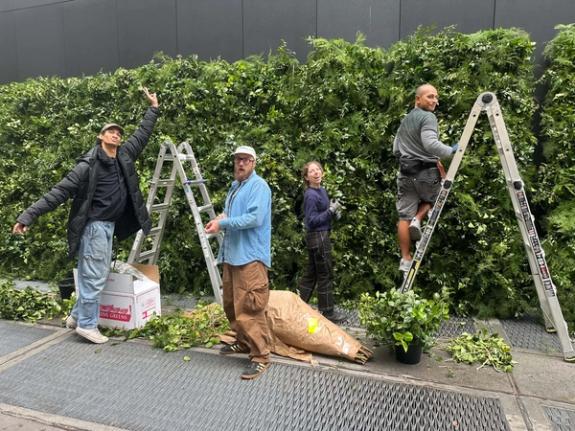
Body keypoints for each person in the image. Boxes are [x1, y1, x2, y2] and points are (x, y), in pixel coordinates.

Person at [12, 88, 160, 344]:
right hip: (94, 229)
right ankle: (88, 326)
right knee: (94, 277)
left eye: (118, 132)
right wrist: (27, 216)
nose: (116, 134)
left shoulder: (123, 157)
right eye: (111, 131)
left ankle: (76, 317)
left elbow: (142, 135)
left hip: (108, 228)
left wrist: (153, 109)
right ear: (100, 136)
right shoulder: (87, 166)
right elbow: (57, 192)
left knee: (93, 274)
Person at [204, 145, 273, 380]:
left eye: (245, 160)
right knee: (232, 305)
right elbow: (228, 215)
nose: (240, 164)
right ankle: (243, 342)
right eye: (237, 160)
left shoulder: (259, 186)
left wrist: (223, 224)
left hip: (250, 258)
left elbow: (255, 218)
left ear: (253, 163)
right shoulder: (235, 187)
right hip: (231, 256)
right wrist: (218, 220)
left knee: (250, 309)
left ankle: (261, 356)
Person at [393, 84, 458, 273]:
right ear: (418, 99)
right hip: (426, 173)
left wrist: (410, 154)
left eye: (436, 98)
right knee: (439, 196)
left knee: (403, 217)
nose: (435, 101)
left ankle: (405, 258)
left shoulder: (405, 120)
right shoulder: (428, 117)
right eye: (430, 97)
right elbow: (430, 143)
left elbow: (396, 149)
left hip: (405, 174)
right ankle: (419, 218)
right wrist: (451, 150)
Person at [297, 161, 345, 323]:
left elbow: (324, 213)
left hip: (321, 235)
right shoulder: (310, 195)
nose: (316, 173)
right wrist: (330, 211)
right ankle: (328, 312)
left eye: (318, 170)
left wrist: (334, 212)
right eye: (312, 171)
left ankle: (297, 307)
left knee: (311, 275)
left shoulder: (322, 191)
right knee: (325, 274)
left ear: (322, 173)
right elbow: (311, 221)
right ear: (306, 177)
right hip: (318, 237)